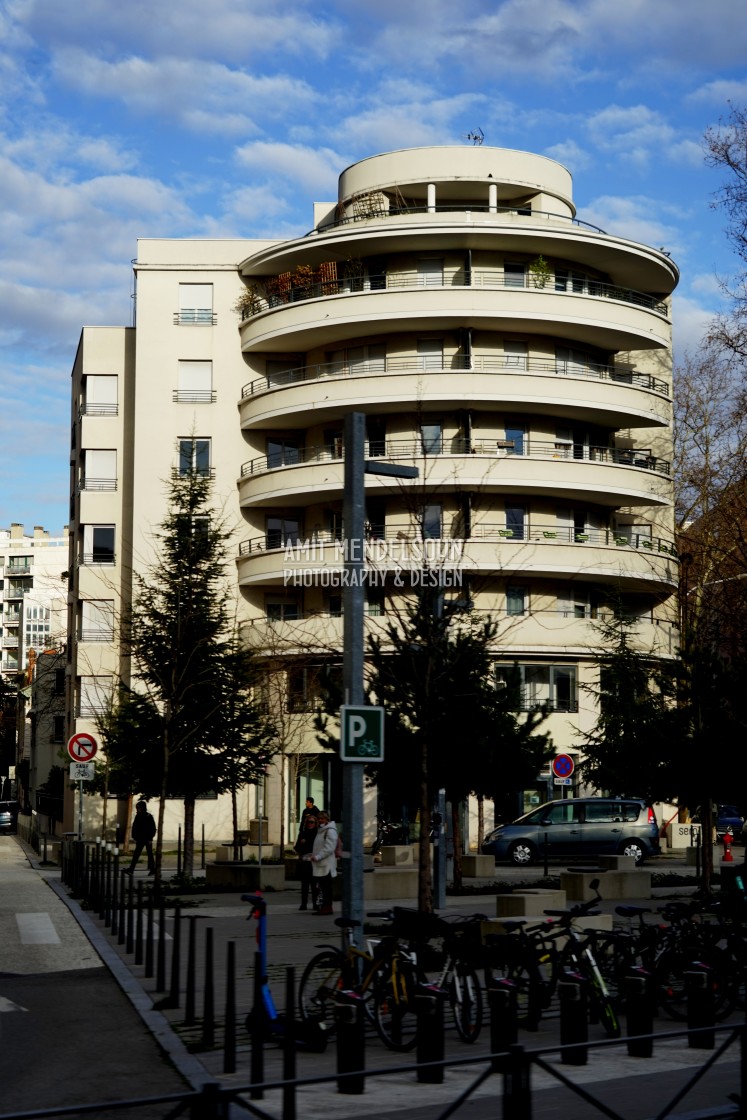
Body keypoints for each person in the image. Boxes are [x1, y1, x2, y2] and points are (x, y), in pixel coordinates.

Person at [309, 809, 338, 915]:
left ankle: (327, 907)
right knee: (323, 887)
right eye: (319, 818)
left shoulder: (330, 831)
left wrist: (318, 857)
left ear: (327, 819)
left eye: (322, 818)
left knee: (326, 888)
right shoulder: (321, 830)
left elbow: (329, 848)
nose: (320, 820)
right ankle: (325, 907)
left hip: (326, 865)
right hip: (321, 864)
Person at [294, 813, 319, 911]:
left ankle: (315, 904)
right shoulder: (302, 833)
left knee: (314, 884)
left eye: (312, 822)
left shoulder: (317, 834)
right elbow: (297, 847)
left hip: (313, 861)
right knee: (304, 884)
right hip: (305, 861)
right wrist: (301, 845)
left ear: (315, 823)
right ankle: (303, 904)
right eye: (308, 822)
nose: (310, 824)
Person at [125, 800, 156, 875]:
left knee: (148, 854)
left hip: (146, 839)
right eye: (137, 808)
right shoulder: (138, 816)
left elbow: (152, 828)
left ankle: (152, 870)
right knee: (138, 854)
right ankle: (132, 869)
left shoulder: (148, 816)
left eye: (138, 808)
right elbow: (135, 827)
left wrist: (150, 838)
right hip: (141, 839)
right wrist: (135, 837)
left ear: (142, 808)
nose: (137, 809)